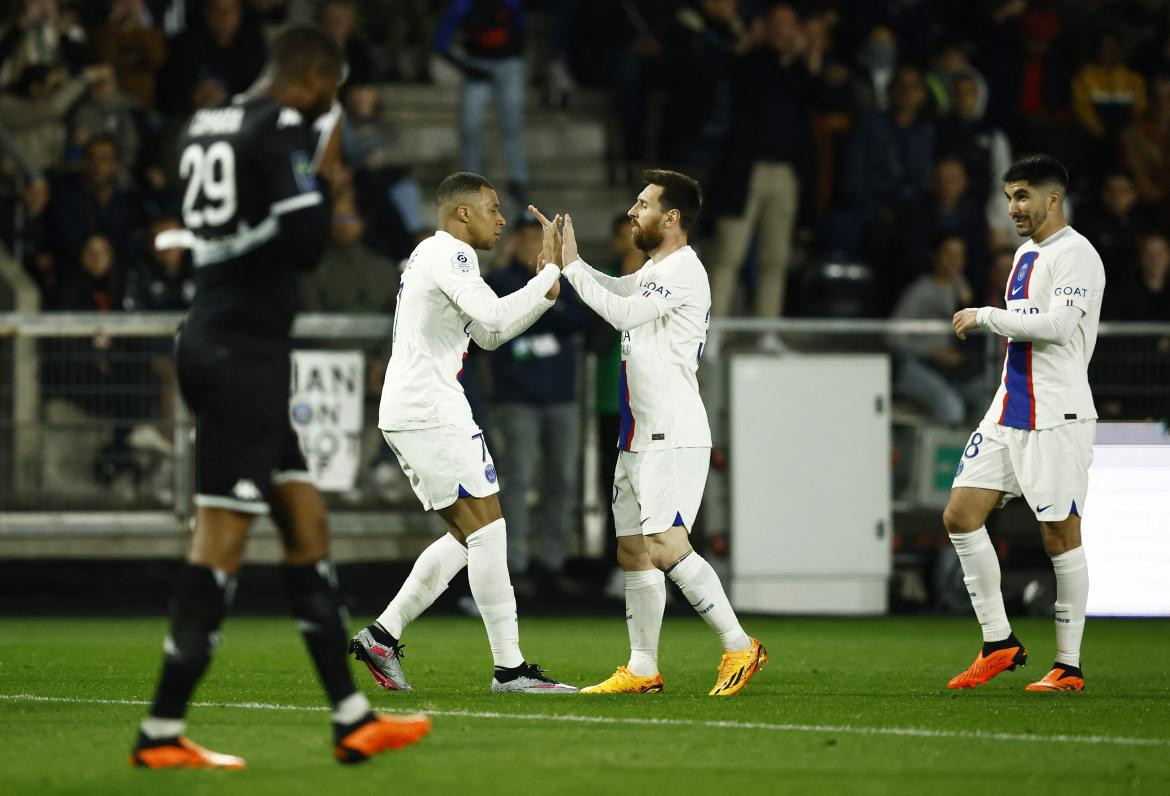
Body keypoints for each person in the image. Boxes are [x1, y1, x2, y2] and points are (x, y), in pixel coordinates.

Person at [130, 25, 430, 771]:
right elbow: (304, 242)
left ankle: (353, 719)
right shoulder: (283, 125)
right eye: (328, 93)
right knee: (221, 538)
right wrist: (324, 176)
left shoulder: (207, 120)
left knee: (305, 519)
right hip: (241, 353)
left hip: (223, 340)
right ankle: (162, 732)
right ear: (315, 79)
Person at [539, 169, 766, 696]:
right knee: (633, 551)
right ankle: (643, 668)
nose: (631, 212)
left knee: (665, 546)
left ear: (672, 218)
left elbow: (621, 313)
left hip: (671, 431)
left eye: (642, 204)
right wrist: (568, 265)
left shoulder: (685, 269)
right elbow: (620, 290)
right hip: (638, 434)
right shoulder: (654, 269)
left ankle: (739, 644)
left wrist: (570, 266)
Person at [350, 172, 577, 694]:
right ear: (462, 214)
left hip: (419, 406)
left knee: (468, 534)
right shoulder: (451, 253)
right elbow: (494, 313)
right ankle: (510, 669)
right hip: (431, 407)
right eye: (493, 209)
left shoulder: (432, 256)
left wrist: (544, 286)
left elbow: (491, 334)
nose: (501, 219)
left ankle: (383, 635)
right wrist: (545, 276)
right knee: (488, 530)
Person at [946, 154, 1105, 693]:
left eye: (1022, 196)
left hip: (1056, 413)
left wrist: (986, 315)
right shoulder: (1024, 253)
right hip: (1009, 407)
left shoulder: (1077, 255)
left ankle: (1069, 665)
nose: (1013, 207)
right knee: (961, 515)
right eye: (1009, 196)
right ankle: (999, 642)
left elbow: (1058, 327)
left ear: (1052, 198)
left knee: (1059, 533)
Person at [485, 214, 591, 590]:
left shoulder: (565, 282)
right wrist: (545, 309)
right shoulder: (499, 281)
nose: (535, 247)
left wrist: (543, 310)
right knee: (519, 478)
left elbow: (579, 321)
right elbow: (503, 325)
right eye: (528, 240)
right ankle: (514, 566)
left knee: (562, 479)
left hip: (561, 396)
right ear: (514, 243)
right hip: (517, 398)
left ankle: (551, 562)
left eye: (541, 241)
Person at [890, 234, 982, 427]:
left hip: (951, 370)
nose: (954, 261)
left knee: (989, 401)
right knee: (952, 407)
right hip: (917, 365)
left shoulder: (961, 289)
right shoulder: (921, 290)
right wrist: (931, 352)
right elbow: (893, 336)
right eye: (949, 255)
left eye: (959, 256)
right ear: (936, 256)